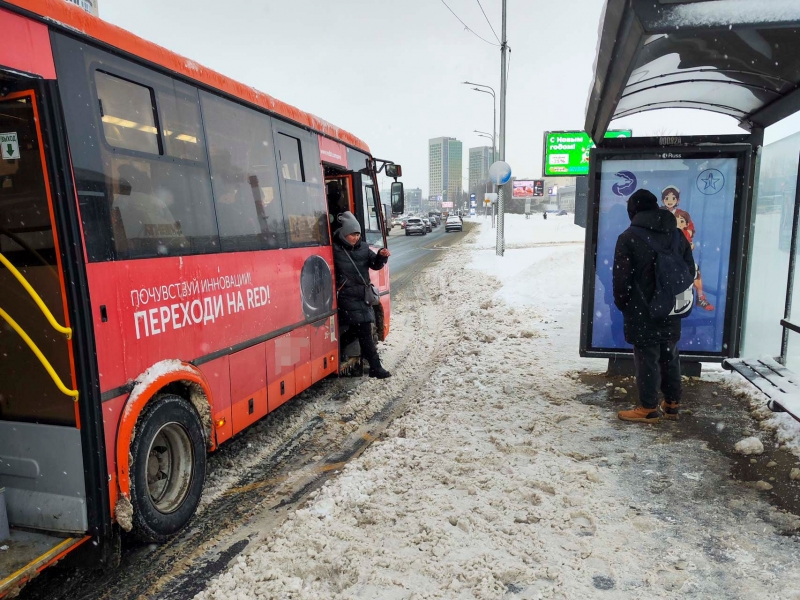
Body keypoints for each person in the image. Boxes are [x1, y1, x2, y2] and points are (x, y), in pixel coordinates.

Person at [613, 189, 695, 423]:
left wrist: (625, 304)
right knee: (669, 353)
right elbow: (690, 270)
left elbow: (621, 279)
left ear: (634, 211)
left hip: (643, 308)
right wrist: (670, 294)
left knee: (647, 356)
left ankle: (648, 408)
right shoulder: (677, 234)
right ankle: (672, 403)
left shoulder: (628, 237)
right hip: (671, 306)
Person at [332, 211, 392, 378]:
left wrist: (380, 256)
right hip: (346, 297)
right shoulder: (335, 249)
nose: (356, 237)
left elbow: (375, 265)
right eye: (353, 234)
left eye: (358, 234)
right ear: (344, 234)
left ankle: (340, 348)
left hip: (362, 297)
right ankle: (375, 367)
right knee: (364, 329)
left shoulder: (364, 248)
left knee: (359, 329)